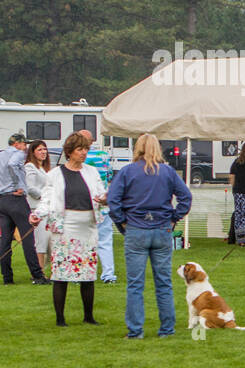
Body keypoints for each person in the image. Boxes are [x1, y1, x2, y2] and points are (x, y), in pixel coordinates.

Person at [107, 134, 192, 339]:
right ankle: (167, 329)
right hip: (162, 228)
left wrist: (122, 221)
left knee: (135, 284)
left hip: (136, 228)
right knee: (164, 282)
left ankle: (135, 331)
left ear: (138, 148)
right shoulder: (168, 172)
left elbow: (113, 199)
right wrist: (174, 218)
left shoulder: (128, 171)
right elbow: (185, 197)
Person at [30, 133, 106, 324]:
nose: (84, 153)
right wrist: (37, 215)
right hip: (64, 228)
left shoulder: (91, 172)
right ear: (69, 152)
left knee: (88, 274)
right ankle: (60, 318)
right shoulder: (54, 175)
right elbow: (47, 199)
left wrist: (104, 199)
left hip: (88, 226)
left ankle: (88, 316)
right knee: (61, 274)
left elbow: (100, 193)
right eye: (80, 149)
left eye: (86, 149)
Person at [0, 133, 49, 285]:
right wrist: (19, 185)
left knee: (5, 240)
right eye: (24, 144)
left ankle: (7, 277)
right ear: (17, 144)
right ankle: (37, 275)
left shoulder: (1, 155)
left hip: (2, 200)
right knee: (28, 238)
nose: (26, 148)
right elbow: (12, 165)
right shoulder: (17, 154)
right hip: (16, 199)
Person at [76, 130, 117, 283]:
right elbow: (110, 175)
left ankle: (80, 272)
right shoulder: (103, 155)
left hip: (84, 204)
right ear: (92, 140)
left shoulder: (79, 158)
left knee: (82, 241)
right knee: (105, 241)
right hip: (103, 203)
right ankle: (108, 275)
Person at [23, 140, 53, 279]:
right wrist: (45, 197)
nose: (43, 152)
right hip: (37, 207)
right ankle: (39, 272)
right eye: (40, 150)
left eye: (45, 149)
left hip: (49, 208)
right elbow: (30, 188)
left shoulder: (46, 169)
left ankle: (51, 271)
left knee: (49, 240)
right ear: (33, 152)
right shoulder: (30, 167)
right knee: (41, 240)